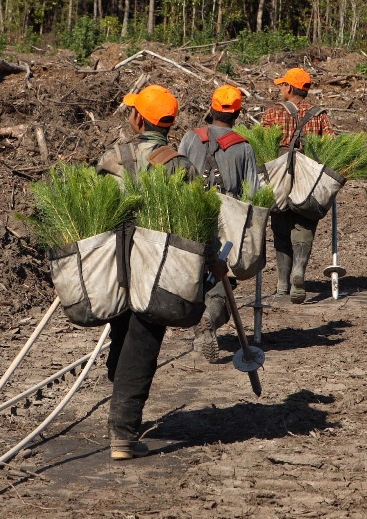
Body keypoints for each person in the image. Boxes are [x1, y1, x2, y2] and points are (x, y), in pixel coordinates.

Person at [97, 84, 219, 460]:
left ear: (138, 119)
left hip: (115, 265)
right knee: (142, 342)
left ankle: (121, 411)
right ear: (168, 123)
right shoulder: (178, 164)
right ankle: (122, 432)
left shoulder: (112, 158)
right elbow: (198, 218)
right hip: (158, 267)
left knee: (122, 334)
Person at [178, 85, 258, 363]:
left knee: (194, 274)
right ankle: (210, 319)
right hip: (227, 224)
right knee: (222, 280)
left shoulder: (190, 138)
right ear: (237, 113)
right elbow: (251, 196)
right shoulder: (244, 147)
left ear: (210, 109)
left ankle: (199, 320)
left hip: (190, 217)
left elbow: (177, 177)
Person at [260, 67, 333, 304]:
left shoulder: (272, 114)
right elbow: (330, 146)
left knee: (280, 225)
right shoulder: (318, 115)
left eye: (282, 85)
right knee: (305, 222)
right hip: (307, 178)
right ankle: (299, 272)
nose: (280, 89)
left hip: (279, 176)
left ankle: (282, 284)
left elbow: (262, 147)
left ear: (289, 88)